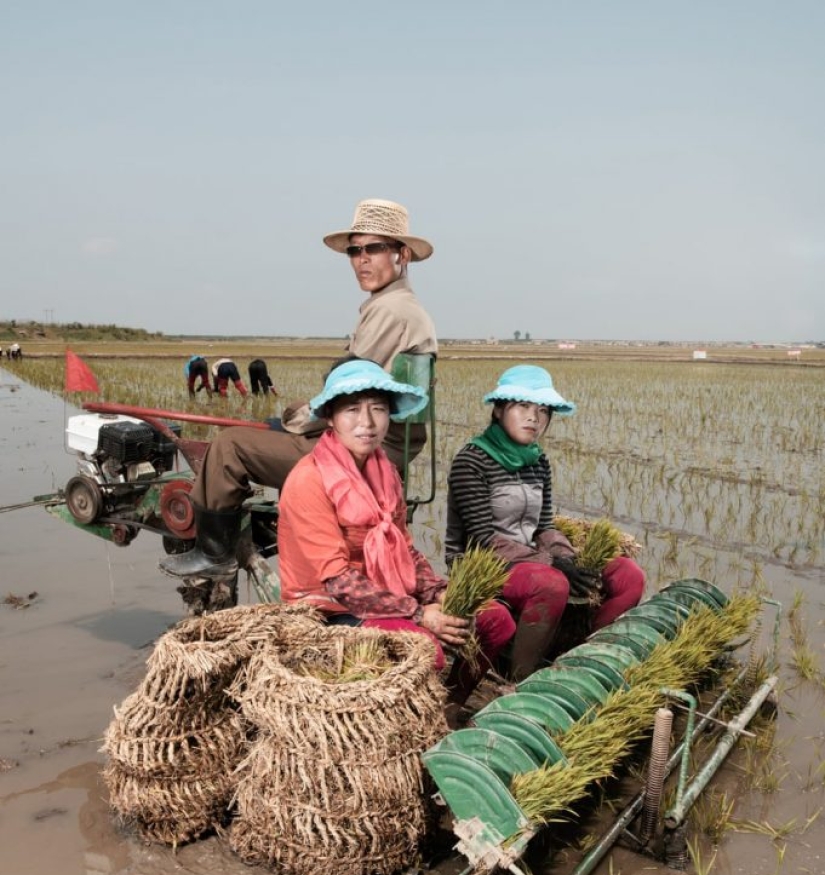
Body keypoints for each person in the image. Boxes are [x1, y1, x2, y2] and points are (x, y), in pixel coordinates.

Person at [161, 198, 436, 579]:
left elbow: (348, 391)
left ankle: (214, 554)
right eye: (355, 251)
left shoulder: (391, 311)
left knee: (228, 447)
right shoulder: (396, 306)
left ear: (401, 254)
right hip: (381, 444)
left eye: (374, 248)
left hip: (361, 450)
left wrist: (294, 420)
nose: (361, 260)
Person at [277, 359, 515, 708]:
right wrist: (420, 614)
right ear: (330, 417)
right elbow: (338, 582)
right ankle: (422, 715)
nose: (367, 422)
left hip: (386, 593)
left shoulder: (385, 471)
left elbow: (405, 547)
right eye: (352, 410)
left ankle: (450, 703)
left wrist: (438, 592)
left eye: (378, 409)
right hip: (329, 606)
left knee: (497, 620)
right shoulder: (309, 480)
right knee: (425, 651)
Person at [446, 365, 645, 682]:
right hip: (482, 562)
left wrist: (565, 556)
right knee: (552, 583)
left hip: (528, 558)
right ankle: (521, 679)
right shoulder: (472, 461)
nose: (533, 418)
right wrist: (551, 563)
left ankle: (585, 659)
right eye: (522, 406)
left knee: (627, 574)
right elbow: (482, 540)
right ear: (499, 410)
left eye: (542, 410)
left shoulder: (537, 461)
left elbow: (543, 526)